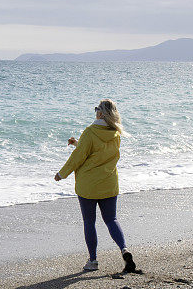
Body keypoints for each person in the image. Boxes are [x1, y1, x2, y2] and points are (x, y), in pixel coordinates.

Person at [54, 99, 136, 273]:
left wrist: (62, 174)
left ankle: (93, 261)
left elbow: (78, 157)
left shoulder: (90, 132)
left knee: (89, 222)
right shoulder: (115, 133)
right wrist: (77, 143)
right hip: (109, 183)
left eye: (96, 110)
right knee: (111, 220)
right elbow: (97, 151)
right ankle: (124, 249)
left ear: (100, 113)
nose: (95, 112)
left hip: (89, 186)